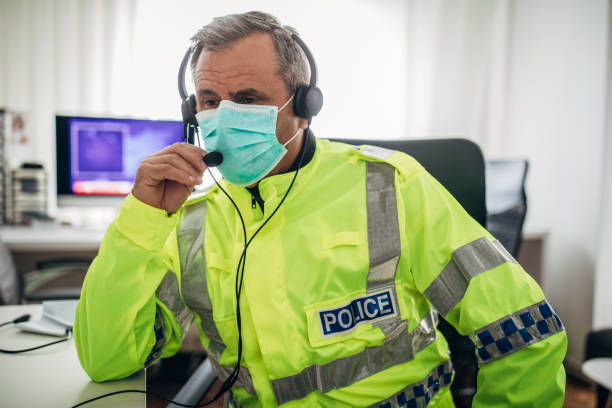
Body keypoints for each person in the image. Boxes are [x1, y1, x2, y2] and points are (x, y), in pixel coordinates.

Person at [74, 11, 567, 408]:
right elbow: (108, 361)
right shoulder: (188, 219)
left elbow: (524, 331)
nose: (223, 116)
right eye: (209, 100)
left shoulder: (389, 185)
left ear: (305, 106)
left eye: (247, 99)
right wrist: (139, 218)